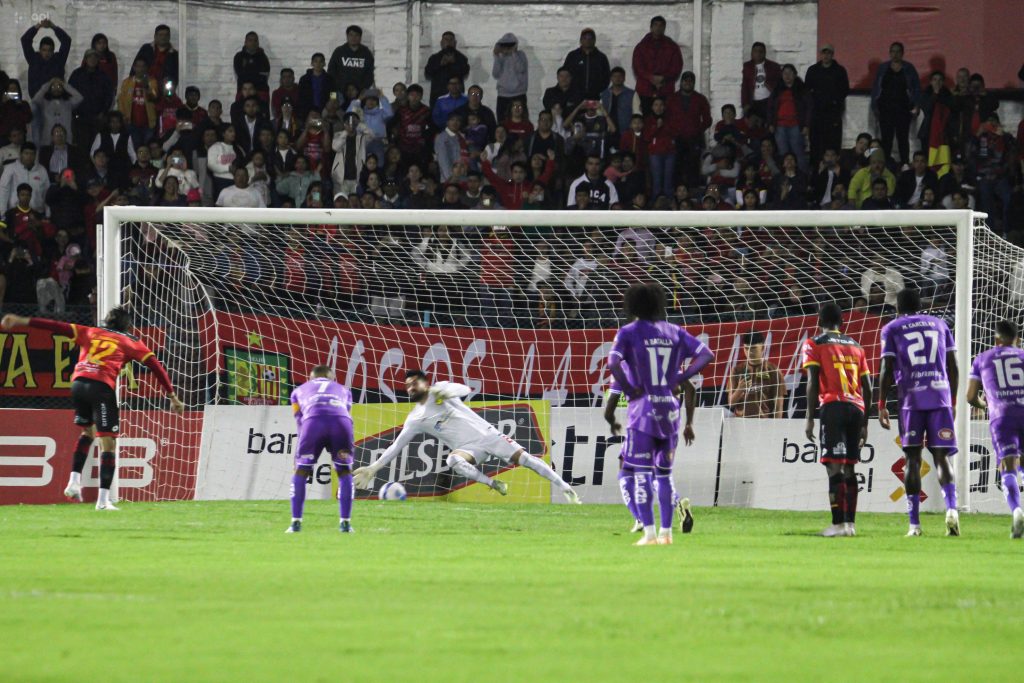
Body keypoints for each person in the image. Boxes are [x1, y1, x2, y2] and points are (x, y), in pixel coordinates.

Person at [0, 307, 183, 510]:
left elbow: (54, 326)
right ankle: (103, 502)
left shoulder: (89, 331)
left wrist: (21, 319)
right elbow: (156, 366)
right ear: (127, 325)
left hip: (78, 383)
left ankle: (73, 482)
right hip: (101, 387)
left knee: (88, 432)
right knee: (109, 444)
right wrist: (172, 395)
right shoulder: (131, 341)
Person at [352, 370, 581, 504]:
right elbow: (397, 445)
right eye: (407, 386)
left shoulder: (440, 390)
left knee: (527, 460)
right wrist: (373, 468)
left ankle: (565, 488)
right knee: (453, 460)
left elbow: (465, 389)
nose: (411, 388)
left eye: (415, 383)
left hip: (488, 435)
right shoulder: (415, 418)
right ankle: (493, 483)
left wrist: (447, 392)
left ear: (425, 382)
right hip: (468, 448)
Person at [606, 282, 713, 546]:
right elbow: (706, 354)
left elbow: (612, 362)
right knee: (663, 474)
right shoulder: (674, 330)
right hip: (670, 409)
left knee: (641, 473)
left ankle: (650, 534)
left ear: (633, 305)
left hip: (643, 409)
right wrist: (680, 375)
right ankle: (667, 534)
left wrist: (630, 389)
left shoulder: (629, 332)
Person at [877, 288, 959, 537]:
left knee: (912, 459)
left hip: (911, 401)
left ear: (898, 308)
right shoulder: (939, 324)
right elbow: (953, 365)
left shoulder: (892, 328)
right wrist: (952, 400)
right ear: (920, 305)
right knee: (942, 457)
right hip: (940, 396)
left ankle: (914, 525)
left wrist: (881, 404)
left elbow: (886, 369)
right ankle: (952, 510)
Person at [802, 301, 872, 538]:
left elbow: (812, 382)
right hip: (857, 408)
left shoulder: (814, 343)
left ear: (820, 321)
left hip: (833, 407)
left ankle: (837, 524)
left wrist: (810, 417)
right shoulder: (856, 346)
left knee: (834, 467)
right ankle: (850, 525)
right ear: (841, 323)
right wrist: (865, 424)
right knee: (850, 467)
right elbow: (868, 387)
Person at [966, 320, 1024, 538]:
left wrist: (983, 404)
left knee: (1007, 466)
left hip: (1002, 416)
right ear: (1017, 340)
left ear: (996, 339)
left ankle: (1017, 511)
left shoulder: (983, 358)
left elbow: (971, 397)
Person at [285, 365, 355, 534]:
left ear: (311, 378)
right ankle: (345, 523)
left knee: (301, 471)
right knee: (344, 472)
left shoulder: (297, 391)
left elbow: (299, 419)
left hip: (313, 424)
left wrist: (300, 456)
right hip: (341, 424)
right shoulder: (344, 390)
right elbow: (346, 412)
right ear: (331, 378)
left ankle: (295, 523)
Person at [871, 42, 920, 166]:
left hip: (903, 109)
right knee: (886, 139)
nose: (895, 54)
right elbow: (876, 88)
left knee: (902, 138)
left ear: (902, 53)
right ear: (889, 53)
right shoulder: (883, 68)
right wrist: (875, 106)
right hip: (885, 109)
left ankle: (904, 164)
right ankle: (885, 164)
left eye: (898, 51)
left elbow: (916, 88)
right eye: (893, 51)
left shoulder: (909, 68)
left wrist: (916, 105)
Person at [803, 44, 848, 167]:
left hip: (833, 114)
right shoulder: (813, 70)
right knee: (816, 144)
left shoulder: (839, 71)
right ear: (820, 54)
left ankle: (832, 170)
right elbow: (807, 91)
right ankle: (815, 171)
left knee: (832, 143)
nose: (826, 55)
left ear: (832, 54)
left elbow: (844, 90)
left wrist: (834, 101)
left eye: (828, 53)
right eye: (824, 53)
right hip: (816, 114)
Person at [631, 16, 683, 115]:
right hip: (645, 91)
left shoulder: (672, 47)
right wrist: (651, 77)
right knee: (646, 122)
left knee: (665, 121)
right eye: (655, 25)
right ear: (651, 27)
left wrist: (663, 78)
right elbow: (637, 67)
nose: (658, 28)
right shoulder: (641, 46)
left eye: (661, 25)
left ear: (664, 28)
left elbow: (676, 67)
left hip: (665, 91)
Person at [727, 331, 785, 418]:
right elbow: (731, 403)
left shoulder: (773, 371)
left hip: (763, 422)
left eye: (753, 348)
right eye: (746, 348)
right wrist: (740, 389)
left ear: (762, 348)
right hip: (740, 422)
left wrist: (775, 428)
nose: (749, 352)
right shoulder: (737, 370)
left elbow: (779, 406)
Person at [562, 28, 610, 101]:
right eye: (585, 38)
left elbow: (606, 78)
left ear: (594, 40)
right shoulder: (573, 56)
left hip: (594, 98)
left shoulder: (601, 57)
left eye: (590, 38)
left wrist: (597, 90)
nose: (588, 40)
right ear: (580, 40)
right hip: (574, 97)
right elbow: (565, 74)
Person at [424, 31, 470, 106]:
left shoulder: (461, 58)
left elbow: (465, 72)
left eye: (451, 40)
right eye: (446, 40)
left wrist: (454, 63)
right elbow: (427, 74)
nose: (448, 42)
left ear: (455, 43)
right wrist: (440, 64)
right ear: (441, 43)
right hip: (438, 96)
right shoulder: (434, 58)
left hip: (456, 97)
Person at [329, 25, 375, 99]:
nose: (353, 38)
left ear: (360, 37)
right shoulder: (339, 51)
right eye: (351, 35)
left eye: (356, 35)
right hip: (340, 92)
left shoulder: (366, 53)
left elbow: (370, 73)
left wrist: (361, 89)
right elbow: (331, 72)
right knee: (334, 107)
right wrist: (338, 89)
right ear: (347, 36)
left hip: (360, 93)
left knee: (357, 109)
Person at [491, 33, 528, 123]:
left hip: (519, 93)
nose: (507, 47)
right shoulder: (500, 56)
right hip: (503, 94)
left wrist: (513, 53)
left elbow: (521, 68)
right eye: (505, 45)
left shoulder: (520, 55)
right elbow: (495, 74)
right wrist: (497, 56)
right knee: (502, 122)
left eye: (510, 45)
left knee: (521, 122)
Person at [741, 42, 781, 121]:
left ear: (765, 53)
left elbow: (779, 84)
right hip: (753, 102)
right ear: (752, 53)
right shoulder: (747, 66)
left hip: (769, 101)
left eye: (761, 51)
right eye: (755, 51)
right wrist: (745, 103)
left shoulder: (774, 66)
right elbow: (744, 86)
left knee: (769, 123)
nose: (758, 54)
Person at [233, 32, 270, 100]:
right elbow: (240, 74)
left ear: (258, 43)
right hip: (243, 92)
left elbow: (264, 75)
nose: (253, 43)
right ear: (245, 42)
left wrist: (247, 71)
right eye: (250, 40)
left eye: (255, 40)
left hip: (261, 90)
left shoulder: (263, 57)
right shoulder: (239, 57)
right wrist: (256, 73)